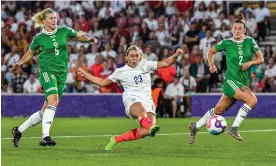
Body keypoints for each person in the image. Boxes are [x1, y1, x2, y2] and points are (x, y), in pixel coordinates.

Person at [11, 8, 98, 147]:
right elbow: (29, 53)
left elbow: (78, 35)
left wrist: (89, 39)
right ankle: (45, 136)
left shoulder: (63, 30)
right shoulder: (39, 38)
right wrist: (19, 62)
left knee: (46, 110)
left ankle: (19, 130)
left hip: (61, 73)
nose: (54, 20)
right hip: (47, 70)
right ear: (44, 21)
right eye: (50, 18)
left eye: (55, 18)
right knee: (54, 100)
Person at [77, 45, 183, 150]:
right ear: (126, 57)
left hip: (147, 100)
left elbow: (166, 63)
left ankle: (116, 139)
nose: (134, 58)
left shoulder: (146, 65)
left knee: (146, 131)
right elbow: (102, 82)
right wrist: (85, 74)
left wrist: (176, 54)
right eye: (132, 56)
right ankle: (150, 126)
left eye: (136, 56)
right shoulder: (120, 71)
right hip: (132, 98)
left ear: (139, 56)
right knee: (143, 115)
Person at [188, 13, 264, 144]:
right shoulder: (227, 42)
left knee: (218, 110)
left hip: (243, 81)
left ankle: (195, 127)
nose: (237, 31)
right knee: (252, 100)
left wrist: (251, 63)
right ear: (231, 29)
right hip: (230, 81)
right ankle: (234, 128)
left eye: (240, 28)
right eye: (235, 28)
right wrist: (211, 65)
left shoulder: (250, 41)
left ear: (245, 30)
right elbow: (210, 51)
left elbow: (260, 59)